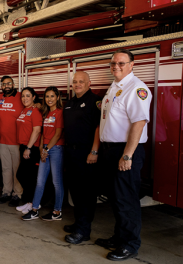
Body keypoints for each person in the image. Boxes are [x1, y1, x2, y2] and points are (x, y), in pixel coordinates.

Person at [95, 49, 151, 261]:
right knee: (116, 198)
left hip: (125, 151)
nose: (116, 66)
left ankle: (129, 244)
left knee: (127, 199)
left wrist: (127, 155)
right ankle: (119, 237)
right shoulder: (115, 87)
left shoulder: (136, 88)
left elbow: (138, 122)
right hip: (111, 150)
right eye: (113, 63)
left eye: (121, 63)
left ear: (131, 64)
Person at [62, 71, 101, 244]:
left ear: (89, 83)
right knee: (76, 192)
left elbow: (99, 128)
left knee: (86, 193)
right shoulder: (70, 103)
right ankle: (79, 223)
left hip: (86, 154)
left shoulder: (95, 102)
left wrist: (94, 151)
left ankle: (83, 231)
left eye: (81, 82)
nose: (77, 84)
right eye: (75, 82)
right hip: (70, 153)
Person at [22, 86, 64, 221]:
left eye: (52, 96)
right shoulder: (46, 113)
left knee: (56, 182)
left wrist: (46, 149)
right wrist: (41, 148)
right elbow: (42, 133)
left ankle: (57, 212)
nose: (49, 99)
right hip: (45, 149)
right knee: (40, 181)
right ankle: (34, 210)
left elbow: (57, 135)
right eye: (47, 96)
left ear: (57, 97)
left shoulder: (60, 113)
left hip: (56, 148)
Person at [14, 87, 42, 216]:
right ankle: (30, 202)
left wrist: (29, 148)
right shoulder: (25, 110)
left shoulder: (35, 111)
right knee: (24, 175)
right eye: (23, 96)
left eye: (28, 96)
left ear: (34, 97)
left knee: (25, 176)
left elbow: (36, 131)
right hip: (23, 146)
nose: (25, 98)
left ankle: (33, 203)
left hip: (31, 148)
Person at [0, 76, 24, 207]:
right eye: (4, 84)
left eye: (9, 83)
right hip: (3, 141)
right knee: (6, 168)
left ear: (13, 84)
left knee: (16, 169)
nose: (6, 86)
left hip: (17, 141)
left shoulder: (20, 96)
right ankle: (6, 192)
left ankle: (17, 194)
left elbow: (32, 105)